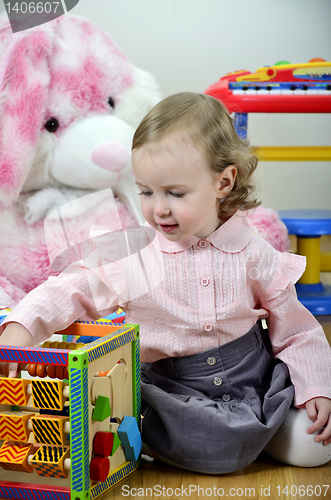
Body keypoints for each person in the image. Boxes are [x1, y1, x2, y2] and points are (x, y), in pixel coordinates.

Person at [1, 93, 331, 473]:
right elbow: (73, 287)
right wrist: (22, 325)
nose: (159, 208)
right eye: (146, 191)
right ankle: (178, 440)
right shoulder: (135, 253)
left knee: (315, 444)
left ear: (223, 182)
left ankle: (266, 430)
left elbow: (296, 329)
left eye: (175, 193)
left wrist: (316, 387)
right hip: (178, 396)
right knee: (214, 450)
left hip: (255, 381)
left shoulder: (251, 250)